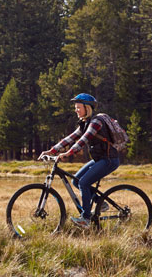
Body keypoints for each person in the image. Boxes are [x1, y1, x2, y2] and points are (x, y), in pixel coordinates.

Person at [39, 93, 120, 228]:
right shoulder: (84, 123)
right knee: (76, 181)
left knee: (83, 182)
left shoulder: (96, 122)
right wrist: (51, 151)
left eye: (78, 107)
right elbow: (71, 138)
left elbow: (83, 140)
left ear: (87, 108)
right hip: (99, 159)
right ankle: (101, 203)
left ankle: (86, 219)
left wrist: (68, 153)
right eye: (75, 107)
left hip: (109, 160)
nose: (76, 110)